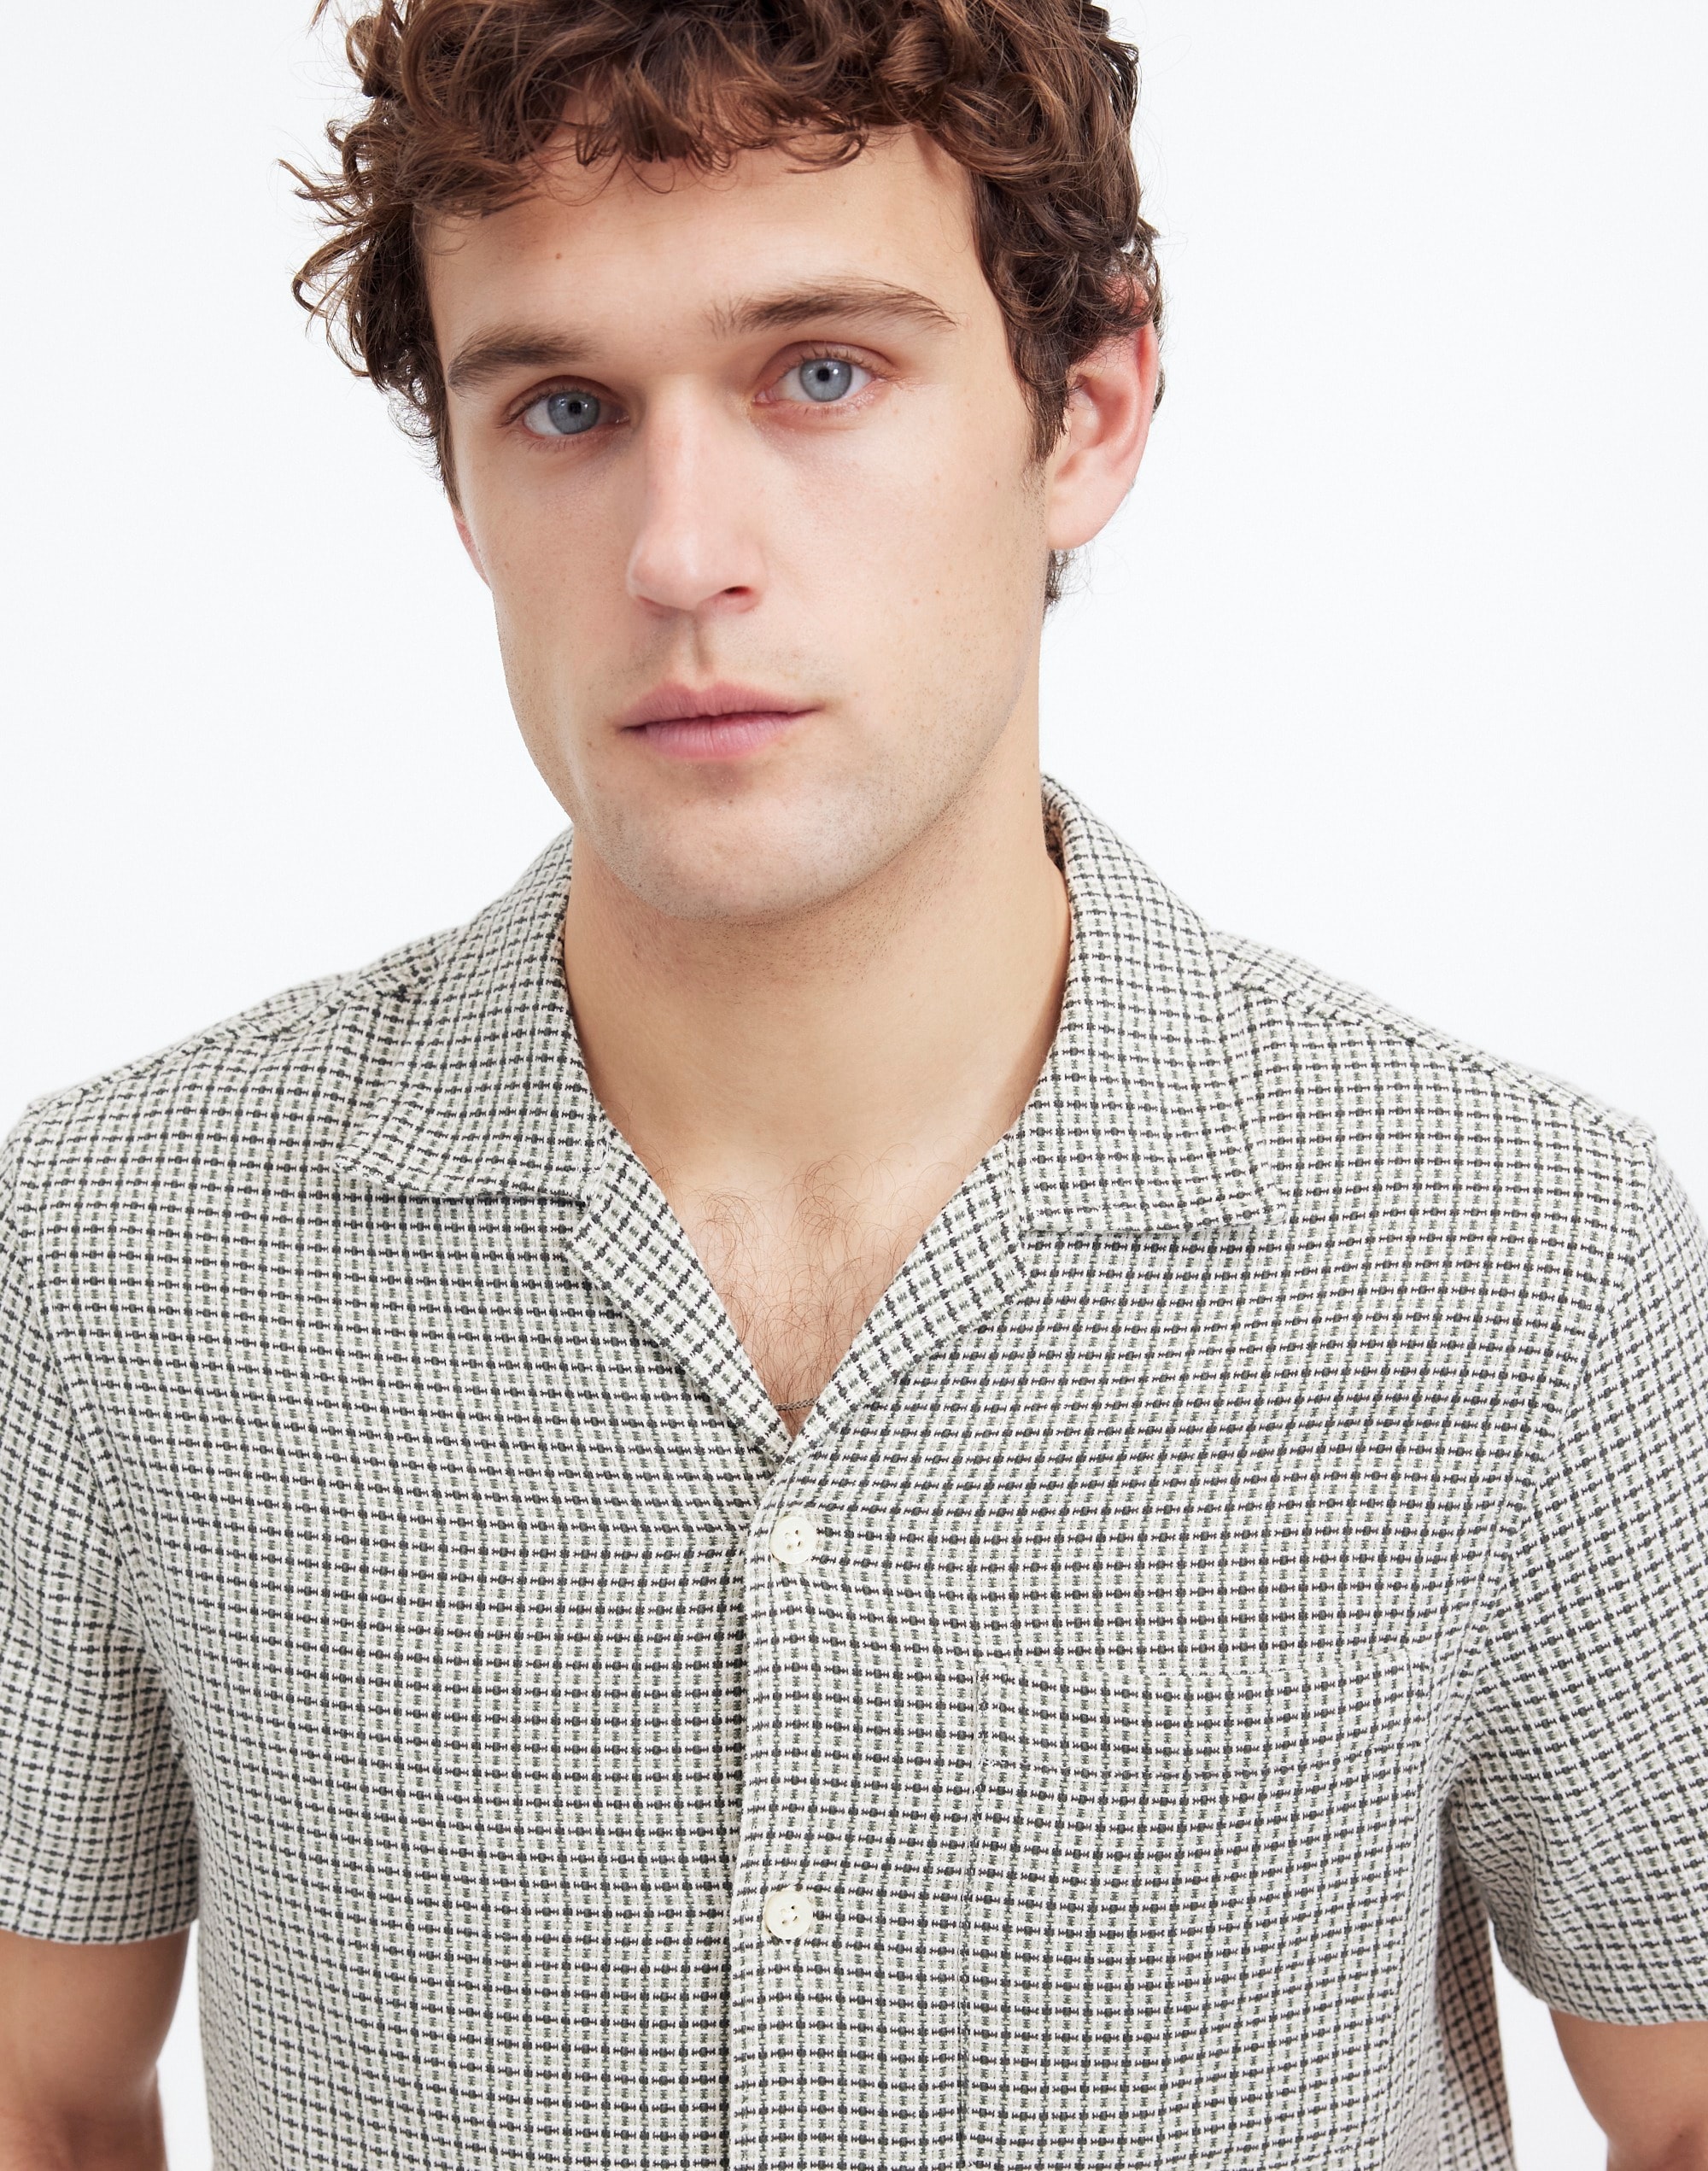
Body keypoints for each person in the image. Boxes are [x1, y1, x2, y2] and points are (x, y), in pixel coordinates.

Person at [3, 1, 1705, 2163]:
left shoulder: (1527, 1259)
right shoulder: (111, 1246)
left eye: (820, 372)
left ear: (1087, 411)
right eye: (562, 406)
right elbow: (43, 2088)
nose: (677, 552)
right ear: (461, 480)